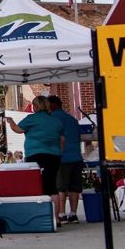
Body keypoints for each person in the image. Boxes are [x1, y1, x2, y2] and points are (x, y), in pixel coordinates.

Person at [6, 95, 64, 225]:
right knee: (52, 186)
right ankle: (56, 218)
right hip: (54, 155)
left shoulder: (31, 119)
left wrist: (10, 122)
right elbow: (61, 139)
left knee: (37, 186)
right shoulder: (56, 121)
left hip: (36, 155)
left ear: (37, 106)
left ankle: (42, 216)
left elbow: (18, 129)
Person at [49, 95, 84, 225]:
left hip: (62, 158)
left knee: (61, 187)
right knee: (74, 187)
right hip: (76, 156)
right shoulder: (72, 120)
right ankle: (73, 214)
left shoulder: (52, 120)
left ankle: (62, 214)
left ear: (52, 105)